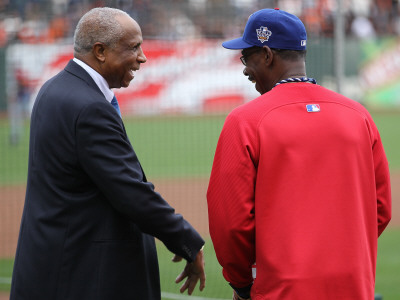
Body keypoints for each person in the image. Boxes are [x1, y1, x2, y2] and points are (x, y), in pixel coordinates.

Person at [10, 7, 205, 300]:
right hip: (83, 275)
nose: (143, 57)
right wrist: (187, 241)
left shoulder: (55, 88)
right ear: (100, 51)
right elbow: (130, 192)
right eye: (134, 47)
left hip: (55, 265)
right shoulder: (89, 106)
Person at [207, 8, 391, 300]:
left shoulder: (245, 120)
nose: (244, 68)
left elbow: (231, 223)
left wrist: (242, 283)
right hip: (354, 284)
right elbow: (380, 209)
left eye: (247, 57)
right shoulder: (359, 115)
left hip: (282, 289)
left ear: (267, 55)